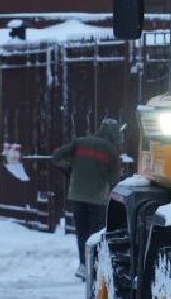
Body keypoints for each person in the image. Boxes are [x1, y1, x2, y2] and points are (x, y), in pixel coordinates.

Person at [53, 118, 124, 279]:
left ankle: (83, 265)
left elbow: (57, 157)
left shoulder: (80, 142)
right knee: (95, 234)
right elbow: (115, 182)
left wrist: (69, 170)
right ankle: (94, 266)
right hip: (98, 199)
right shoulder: (111, 150)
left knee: (82, 232)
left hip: (77, 195)